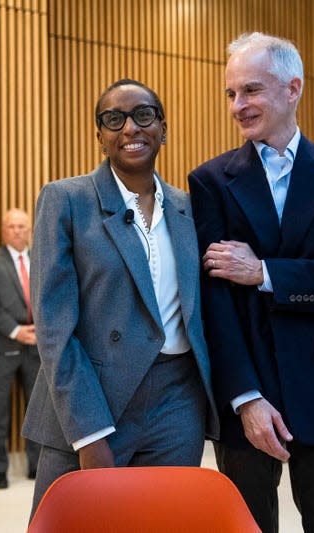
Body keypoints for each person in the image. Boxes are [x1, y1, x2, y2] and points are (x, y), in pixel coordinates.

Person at [188, 33, 314, 533]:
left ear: (293, 88)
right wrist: (245, 398)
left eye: (251, 90)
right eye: (230, 94)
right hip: (247, 391)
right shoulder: (210, 181)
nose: (238, 105)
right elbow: (214, 303)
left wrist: (265, 272)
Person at [22, 79, 218, 517]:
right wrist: (89, 432)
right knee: (75, 523)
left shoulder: (190, 208)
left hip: (176, 403)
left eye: (143, 115)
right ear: (100, 136)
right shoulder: (66, 200)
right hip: (92, 399)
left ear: (163, 128)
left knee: (164, 523)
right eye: (114, 119)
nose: (130, 128)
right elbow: (54, 329)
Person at [0, 208, 41, 489]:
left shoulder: (41, 259)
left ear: (30, 230)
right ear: (3, 230)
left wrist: (40, 329)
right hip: (1, 345)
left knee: (38, 411)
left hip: (37, 345)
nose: (18, 231)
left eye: (22, 226)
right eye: (12, 226)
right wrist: (16, 331)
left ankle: (37, 467)